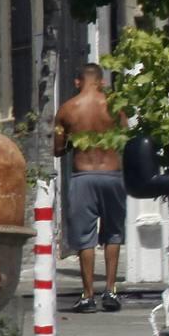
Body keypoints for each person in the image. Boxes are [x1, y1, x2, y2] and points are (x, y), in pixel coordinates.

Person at [53, 63, 129, 314]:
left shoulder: (67, 109)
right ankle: (110, 290)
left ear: (77, 82)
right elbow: (124, 137)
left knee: (85, 238)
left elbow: (58, 148)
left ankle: (88, 295)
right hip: (112, 175)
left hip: (83, 176)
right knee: (113, 234)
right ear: (102, 82)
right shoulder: (115, 107)